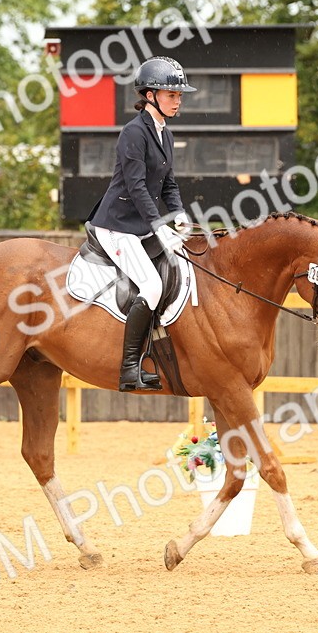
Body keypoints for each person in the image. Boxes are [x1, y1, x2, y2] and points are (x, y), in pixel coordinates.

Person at [87, 56, 196, 391]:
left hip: (142, 226)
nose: (178, 101)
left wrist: (177, 214)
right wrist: (159, 226)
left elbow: (168, 184)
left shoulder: (165, 132)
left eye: (179, 96)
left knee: (176, 272)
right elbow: (135, 187)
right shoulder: (134, 133)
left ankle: (152, 355)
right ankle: (129, 368)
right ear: (150, 95)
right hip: (117, 226)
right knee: (151, 286)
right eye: (171, 95)